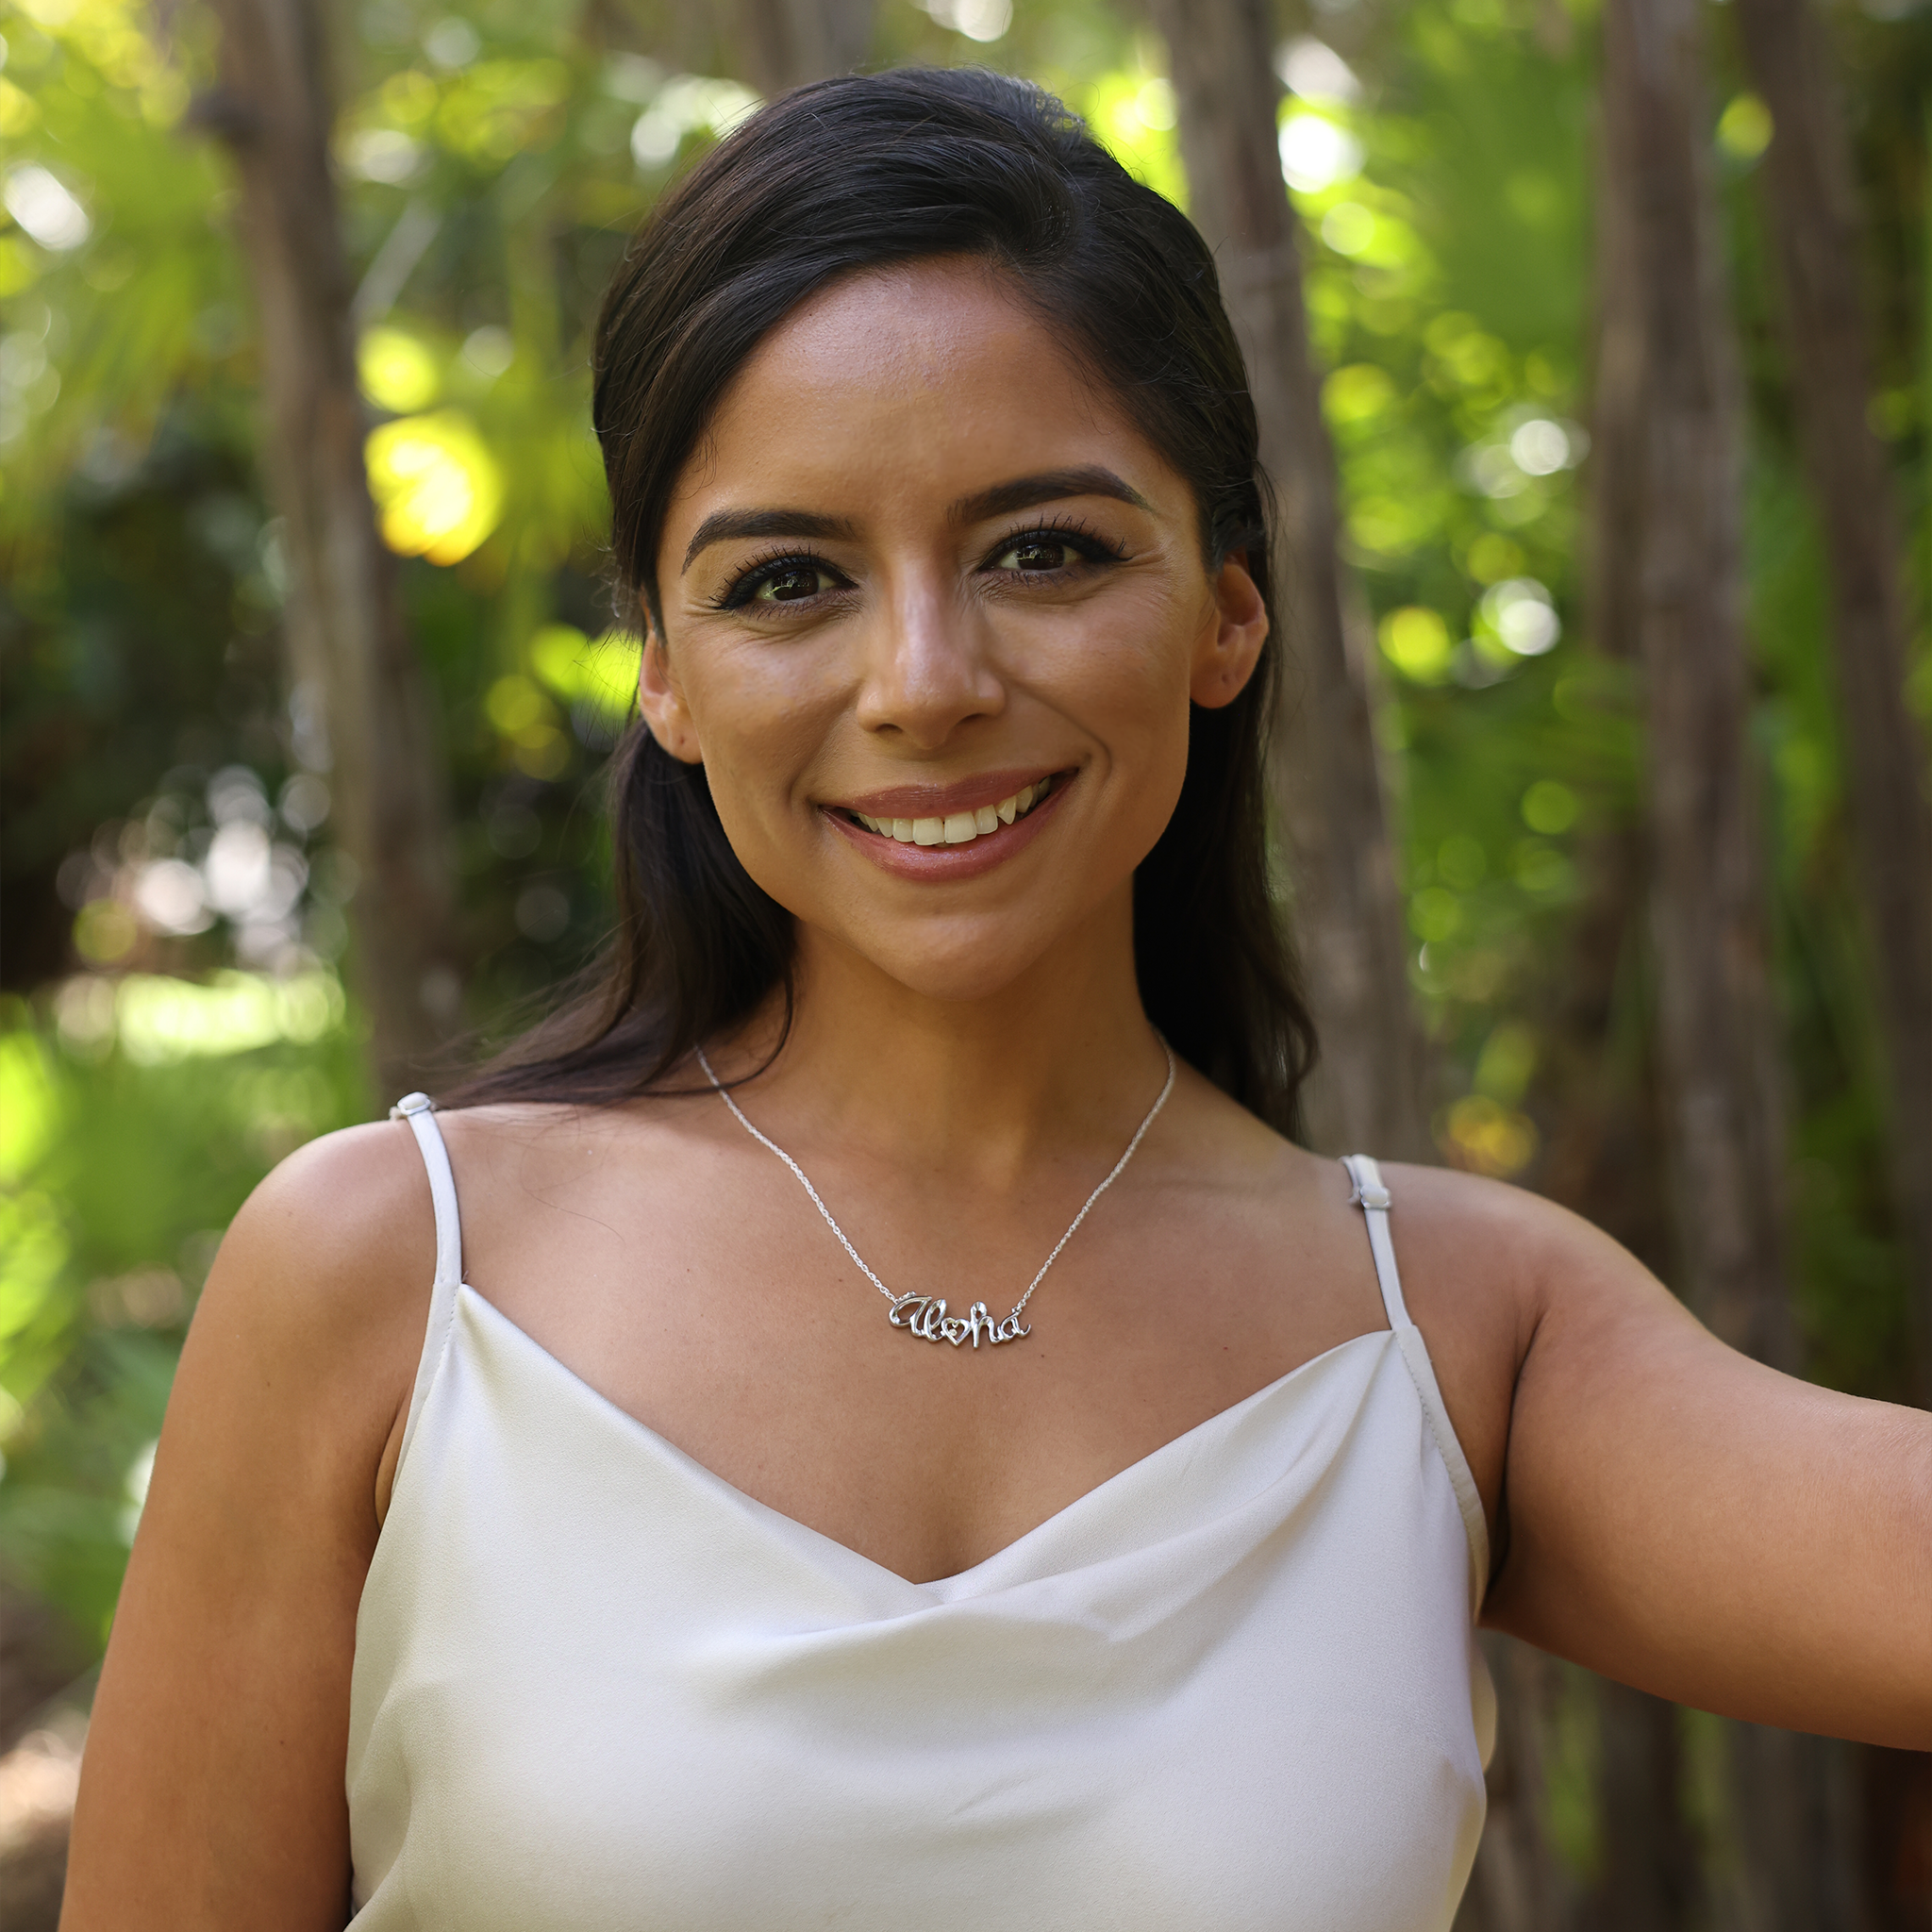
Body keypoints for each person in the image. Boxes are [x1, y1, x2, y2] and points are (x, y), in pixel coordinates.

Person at [61, 66, 1928, 1931]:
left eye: (1044, 550)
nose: (926, 680)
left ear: (1224, 613)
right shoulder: (392, 1273)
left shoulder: (1457, 1335)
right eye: (789, 580)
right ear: (668, 680)